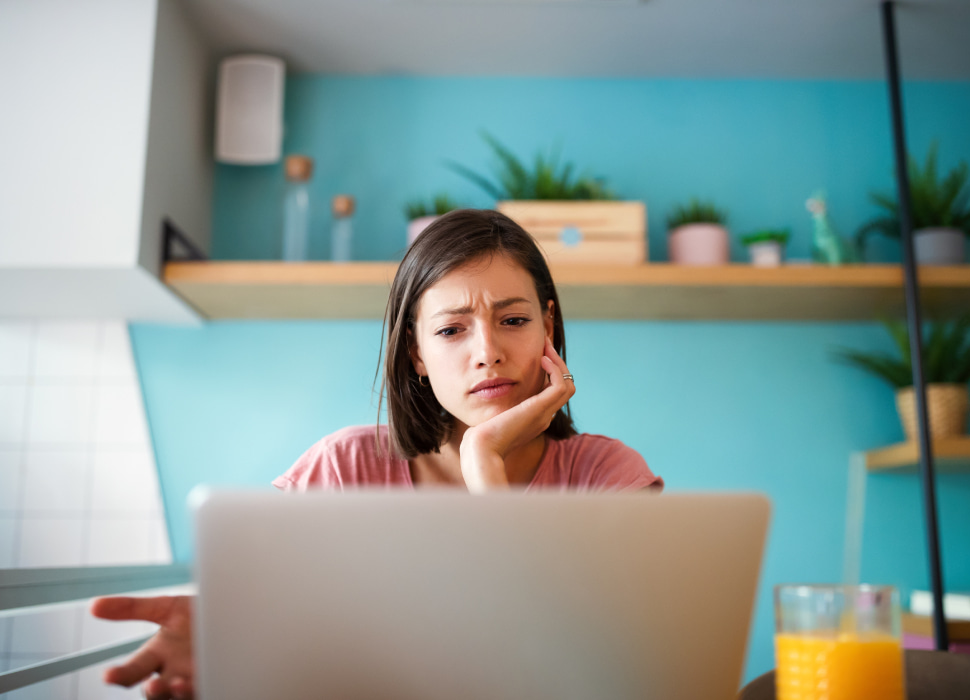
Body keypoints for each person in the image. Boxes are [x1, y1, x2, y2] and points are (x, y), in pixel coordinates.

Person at [91, 209, 663, 700]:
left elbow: (602, 673)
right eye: (450, 331)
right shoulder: (342, 471)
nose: (487, 352)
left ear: (547, 328)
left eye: (513, 321)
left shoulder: (608, 478)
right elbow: (271, 637)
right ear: (414, 351)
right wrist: (229, 648)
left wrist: (484, 465)